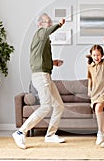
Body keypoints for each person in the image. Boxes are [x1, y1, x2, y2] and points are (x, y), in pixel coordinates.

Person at [12, 13, 66, 149]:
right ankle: (20, 132)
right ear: (40, 24)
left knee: (59, 105)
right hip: (40, 76)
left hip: (45, 74)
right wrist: (59, 24)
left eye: (50, 22)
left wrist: (53, 62)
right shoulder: (40, 33)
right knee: (46, 106)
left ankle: (50, 135)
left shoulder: (44, 40)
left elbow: (40, 58)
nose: (49, 24)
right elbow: (48, 30)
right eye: (48, 22)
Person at [86, 37, 104, 147]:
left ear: (102, 55)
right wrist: (89, 89)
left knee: (98, 109)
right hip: (95, 93)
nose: (96, 57)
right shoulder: (90, 66)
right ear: (91, 56)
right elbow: (90, 79)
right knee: (99, 115)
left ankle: (100, 134)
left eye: (98, 55)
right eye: (94, 55)